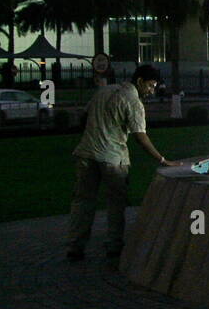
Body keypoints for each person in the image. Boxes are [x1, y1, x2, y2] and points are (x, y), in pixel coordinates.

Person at [66, 65, 177, 261]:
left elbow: (85, 116)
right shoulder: (133, 101)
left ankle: (76, 246)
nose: (151, 91)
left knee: (82, 202)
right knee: (116, 203)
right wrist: (161, 159)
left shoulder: (104, 91)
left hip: (86, 154)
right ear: (140, 81)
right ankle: (114, 245)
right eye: (150, 86)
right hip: (113, 159)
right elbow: (140, 136)